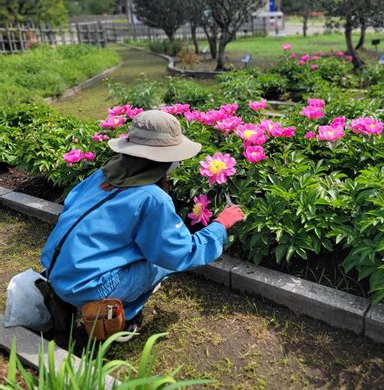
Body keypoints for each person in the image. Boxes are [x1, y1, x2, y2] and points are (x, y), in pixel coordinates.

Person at [40, 110, 245, 338]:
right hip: (90, 286)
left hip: (56, 269)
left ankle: (68, 298)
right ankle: (118, 316)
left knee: (141, 248)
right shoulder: (151, 198)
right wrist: (220, 225)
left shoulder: (102, 176)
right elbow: (178, 253)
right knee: (160, 262)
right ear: (165, 158)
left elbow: (70, 208)